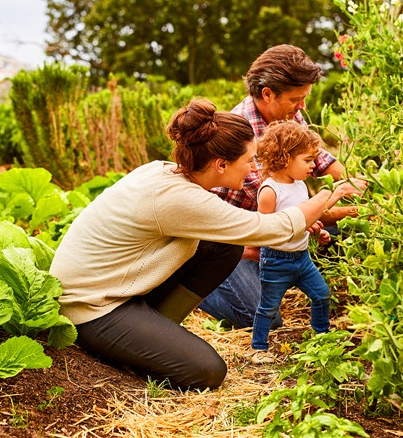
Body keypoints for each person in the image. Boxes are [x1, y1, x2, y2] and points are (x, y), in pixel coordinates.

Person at [49, 99, 366, 390]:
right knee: (207, 371)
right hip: (92, 308)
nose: (254, 168)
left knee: (222, 246)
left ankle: (155, 326)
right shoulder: (180, 198)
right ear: (221, 165)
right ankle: (132, 347)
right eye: (249, 160)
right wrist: (331, 194)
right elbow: (272, 229)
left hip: (118, 287)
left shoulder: (170, 175)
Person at [199, 44, 356, 329]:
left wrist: (354, 181)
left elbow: (321, 160)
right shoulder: (241, 137)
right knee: (266, 319)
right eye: (297, 99)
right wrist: (348, 205)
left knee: (344, 232)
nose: (303, 107)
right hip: (233, 244)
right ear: (268, 94)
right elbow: (290, 215)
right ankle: (198, 286)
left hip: (271, 232)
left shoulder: (286, 116)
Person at [250, 121, 357, 364]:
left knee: (321, 295)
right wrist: (332, 197)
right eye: (308, 160)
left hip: (302, 258)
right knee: (268, 307)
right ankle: (258, 347)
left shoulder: (299, 185)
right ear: (286, 158)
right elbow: (267, 230)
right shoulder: (270, 191)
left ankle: (322, 335)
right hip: (276, 260)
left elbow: (304, 216)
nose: (313, 166)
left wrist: (314, 228)